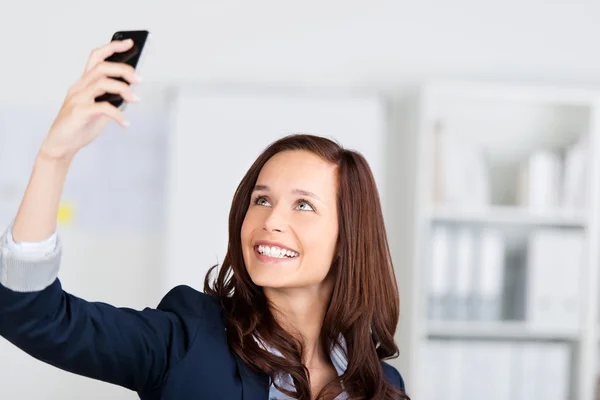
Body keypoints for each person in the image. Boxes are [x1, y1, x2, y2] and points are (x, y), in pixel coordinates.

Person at [0, 39, 409, 400]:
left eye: (303, 205)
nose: (271, 221)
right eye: (261, 200)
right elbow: (33, 313)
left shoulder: (380, 385)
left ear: (348, 241)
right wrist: (55, 157)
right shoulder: (187, 341)